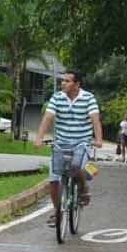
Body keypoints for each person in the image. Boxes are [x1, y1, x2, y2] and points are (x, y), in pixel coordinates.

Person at [34, 70, 103, 225]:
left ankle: (83, 188)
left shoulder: (88, 98)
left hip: (81, 143)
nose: (63, 83)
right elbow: (48, 118)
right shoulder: (57, 98)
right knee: (53, 179)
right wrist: (39, 137)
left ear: (77, 84)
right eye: (62, 80)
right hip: (61, 143)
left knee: (77, 167)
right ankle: (57, 211)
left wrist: (98, 139)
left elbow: (95, 120)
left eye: (67, 81)